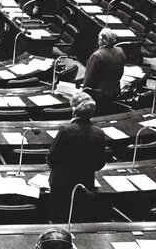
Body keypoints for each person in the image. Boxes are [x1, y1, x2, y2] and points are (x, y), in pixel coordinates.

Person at [46, 91, 105, 223]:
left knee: (59, 220)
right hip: (84, 184)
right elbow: (100, 163)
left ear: (73, 112)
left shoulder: (66, 130)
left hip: (60, 185)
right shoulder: (99, 133)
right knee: (78, 219)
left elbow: (51, 158)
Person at [83, 28, 125, 115]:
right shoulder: (120, 51)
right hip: (115, 91)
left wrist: (83, 92)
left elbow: (89, 80)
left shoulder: (97, 55)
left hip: (99, 96)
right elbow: (120, 73)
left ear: (101, 40)